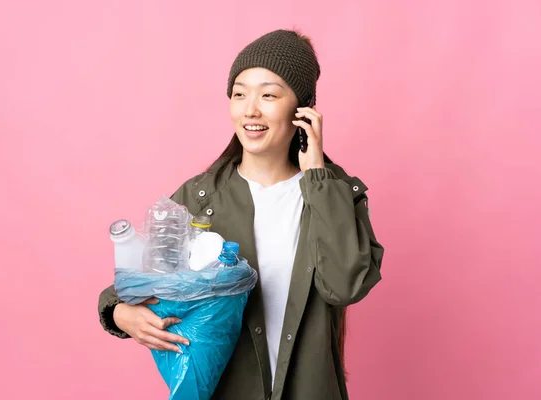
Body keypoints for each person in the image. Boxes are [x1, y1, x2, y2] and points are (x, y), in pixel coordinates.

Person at [98, 29, 384, 400]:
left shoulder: (335, 195)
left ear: (302, 108)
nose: (250, 109)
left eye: (268, 94)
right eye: (239, 93)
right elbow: (139, 278)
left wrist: (317, 177)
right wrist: (119, 312)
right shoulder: (200, 198)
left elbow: (345, 285)